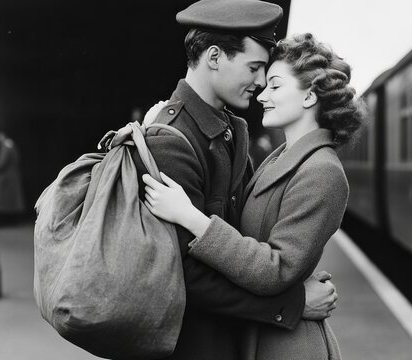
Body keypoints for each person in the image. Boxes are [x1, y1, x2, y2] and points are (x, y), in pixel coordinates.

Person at [99, 2, 338, 359]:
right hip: (192, 346)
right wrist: (292, 302)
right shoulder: (170, 140)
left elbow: (240, 242)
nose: (260, 84)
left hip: (232, 340)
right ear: (214, 57)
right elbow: (179, 273)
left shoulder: (232, 132)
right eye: (254, 68)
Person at [141, 33, 366, 359]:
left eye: (275, 85)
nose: (262, 94)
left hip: (288, 345)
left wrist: (191, 217)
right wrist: (152, 128)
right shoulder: (280, 158)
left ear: (309, 96)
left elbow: (276, 269)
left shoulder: (323, 172)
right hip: (262, 334)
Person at [0, 132, 25, 224]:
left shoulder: (6, 147)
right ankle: (11, 220)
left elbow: (2, 163)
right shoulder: (11, 145)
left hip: (6, 177)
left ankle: (5, 221)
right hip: (11, 176)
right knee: (10, 201)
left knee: (5, 201)